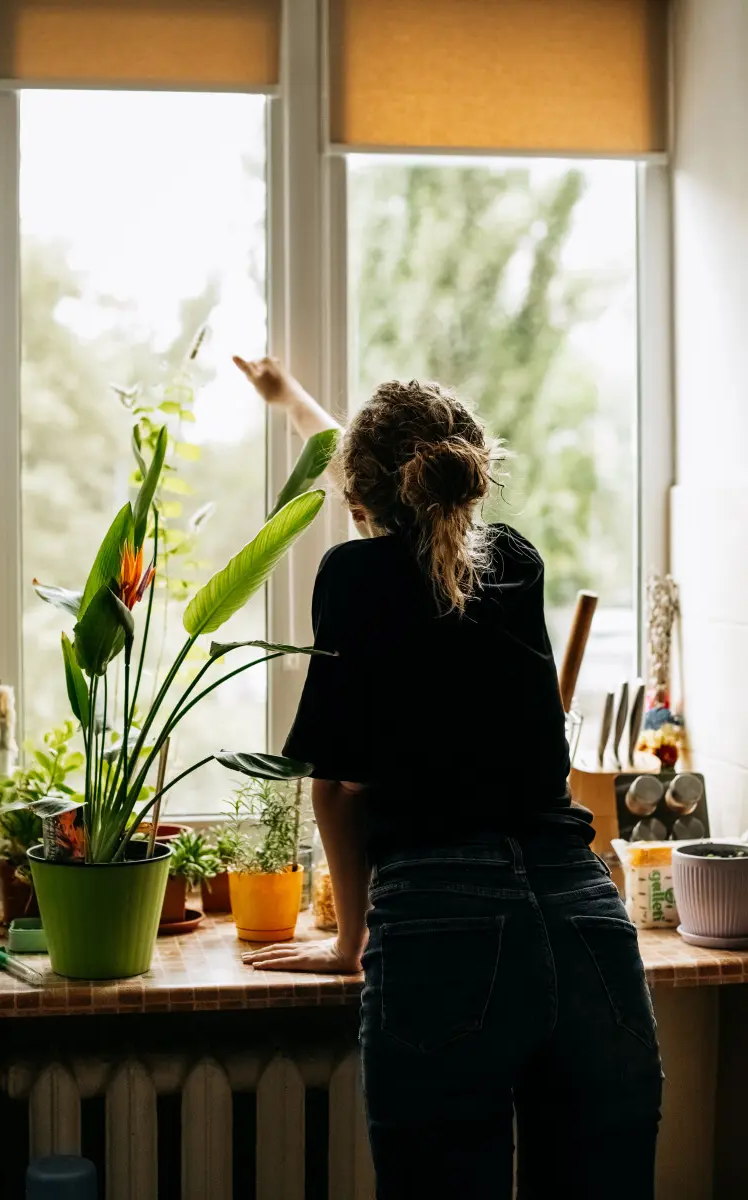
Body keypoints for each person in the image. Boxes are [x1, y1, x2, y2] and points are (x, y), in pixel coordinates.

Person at [234, 355, 663, 1200]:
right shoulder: (517, 562)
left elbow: (337, 787)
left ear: (360, 505)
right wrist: (291, 402)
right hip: (586, 922)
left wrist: (347, 942)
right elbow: (387, 496)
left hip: (442, 932)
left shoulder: (352, 576)